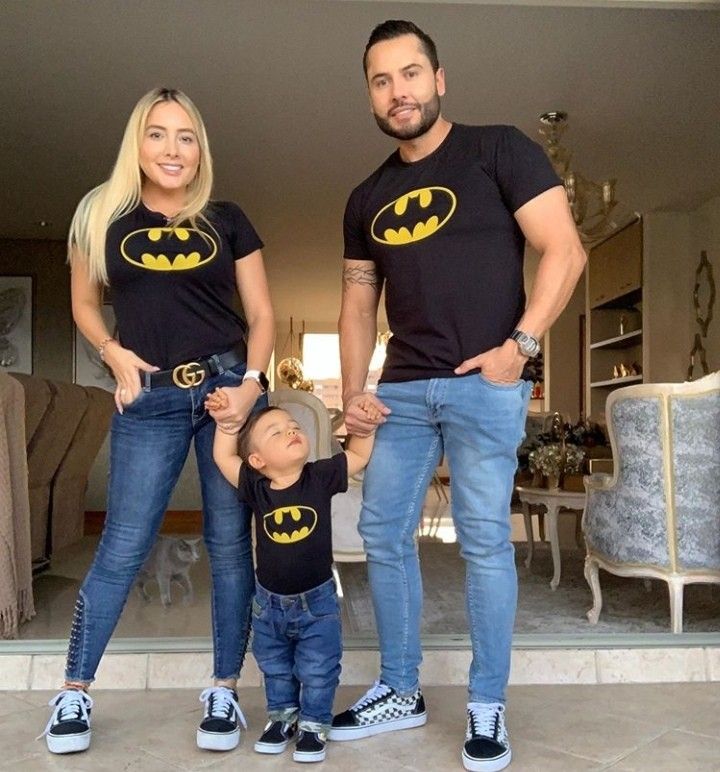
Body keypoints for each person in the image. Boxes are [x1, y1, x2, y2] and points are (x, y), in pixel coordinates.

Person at [330, 20, 586, 772]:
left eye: (410, 74)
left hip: (486, 384)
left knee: (482, 542)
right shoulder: (367, 196)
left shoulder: (499, 149)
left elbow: (565, 250)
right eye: (381, 80)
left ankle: (486, 704)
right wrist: (354, 393)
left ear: (439, 80)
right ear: (371, 95)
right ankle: (400, 689)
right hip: (402, 389)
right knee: (382, 535)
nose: (397, 91)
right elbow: (355, 304)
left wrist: (522, 348)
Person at [39, 87, 275, 755]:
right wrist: (112, 353)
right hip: (150, 398)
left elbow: (260, 316)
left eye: (186, 136)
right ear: (136, 146)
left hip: (228, 388)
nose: (173, 149)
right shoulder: (102, 215)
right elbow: (85, 303)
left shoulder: (227, 220)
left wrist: (252, 387)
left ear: (202, 150)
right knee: (122, 546)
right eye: (158, 134)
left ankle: (224, 690)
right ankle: (74, 692)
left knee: (231, 548)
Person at [210, 398, 377, 763]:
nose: (290, 430)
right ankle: (281, 717)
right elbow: (224, 458)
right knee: (275, 667)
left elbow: (359, 456)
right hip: (268, 603)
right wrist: (226, 423)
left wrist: (364, 428)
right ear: (257, 461)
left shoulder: (319, 476)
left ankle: (314, 724)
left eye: (293, 426)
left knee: (319, 668)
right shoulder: (256, 486)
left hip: (317, 602)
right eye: (276, 431)